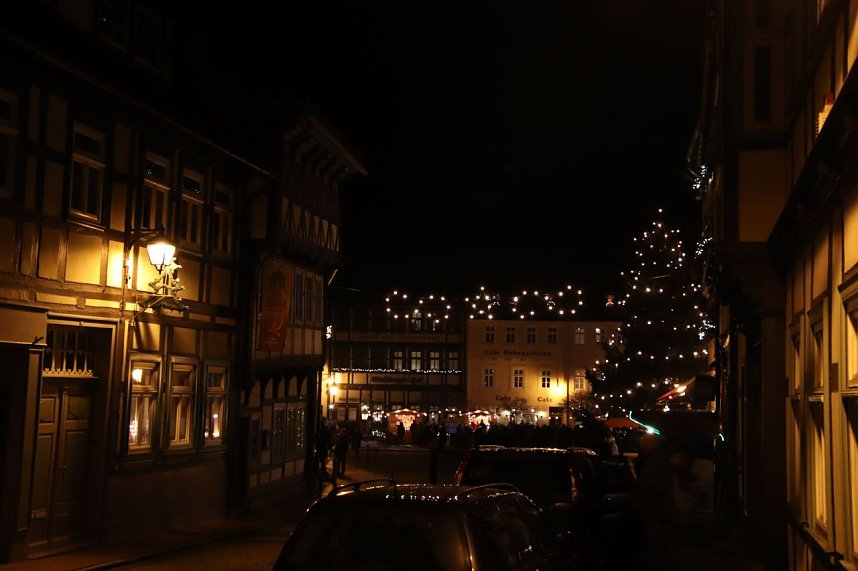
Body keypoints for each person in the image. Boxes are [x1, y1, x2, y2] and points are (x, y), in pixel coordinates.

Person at [629, 432, 676, 571]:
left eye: (644, 445)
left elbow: (655, 488)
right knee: (660, 549)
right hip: (657, 512)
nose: (641, 447)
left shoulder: (656, 462)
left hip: (656, 513)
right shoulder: (655, 460)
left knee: (656, 549)